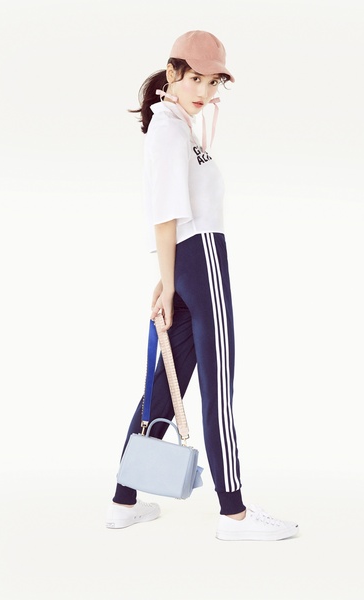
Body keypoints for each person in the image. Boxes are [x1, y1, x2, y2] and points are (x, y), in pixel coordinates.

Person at [106, 30, 299, 541]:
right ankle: (233, 515)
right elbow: (167, 216)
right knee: (218, 387)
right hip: (204, 258)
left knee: (164, 387)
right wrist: (171, 285)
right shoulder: (171, 130)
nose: (205, 91)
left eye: (214, 82)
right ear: (172, 72)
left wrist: (167, 280)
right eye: (195, 78)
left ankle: (123, 502)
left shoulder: (176, 128)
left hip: (189, 264)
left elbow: (172, 218)